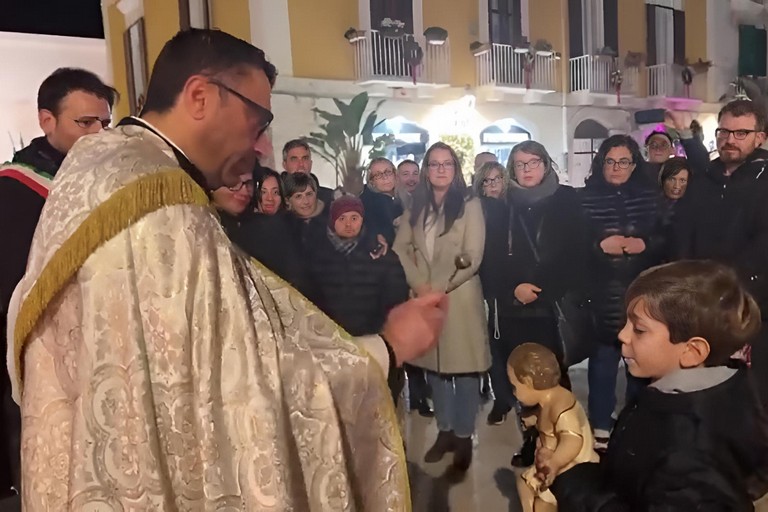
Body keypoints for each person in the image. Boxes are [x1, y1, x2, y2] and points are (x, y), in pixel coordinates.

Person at [6, 29, 446, 510]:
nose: (260, 146)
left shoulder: (100, 168)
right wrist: (387, 348)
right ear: (200, 96)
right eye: (257, 120)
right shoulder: (161, 208)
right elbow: (239, 387)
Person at [549, 261, 768, 510]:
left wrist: (577, 491)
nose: (622, 335)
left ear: (692, 351)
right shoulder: (706, 392)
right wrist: (583, 473)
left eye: (639, 329)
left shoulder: (688, 452)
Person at [0, 67, 116, 499]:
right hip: (38, 342)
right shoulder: (17, 187)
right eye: (84, 122)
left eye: (104, 122)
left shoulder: (105, 180)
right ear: (46, 120)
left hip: (99, 334)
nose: (97, 132)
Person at [393, 141, 489, 472]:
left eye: (447, 164)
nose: (440, 170)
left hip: (458, 297)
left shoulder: (470, 204)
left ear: (456, 169)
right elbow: (402, 247)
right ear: (426, 170)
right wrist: (419, 284)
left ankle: (463, 436)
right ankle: (445, 431)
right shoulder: (415, 205)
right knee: (434, 367)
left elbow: (471, 256)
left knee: (463, 369)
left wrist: (442, 285)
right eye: (434, 164)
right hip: (423, 296)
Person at [675, 99, 768, 403]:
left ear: (760, 137)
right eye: (724, 131)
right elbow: (684, 232)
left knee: (750, 395)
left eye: (741, 133)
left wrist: (732, 289)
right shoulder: (705, 178)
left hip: (749, 304)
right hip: (699, 300)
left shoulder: (762, 180)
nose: (730, 140)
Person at [580, 134, 665, 451]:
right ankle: (601, 426)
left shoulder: (650, 197)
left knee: (641, 364)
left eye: (623, 161)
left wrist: (645, 244)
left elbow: (665, 237)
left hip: (643, 292)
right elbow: (573, 244)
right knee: (602, 363)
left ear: (634, 164)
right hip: (601, 293)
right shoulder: (586, 198)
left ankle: (635, 423)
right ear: (601, 163)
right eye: (610, 161)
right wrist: (598, 245)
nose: (616, 167)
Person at [308, 196, 409, 399]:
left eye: (354, 217)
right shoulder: (317, 255)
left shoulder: (380, 252)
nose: (349, 224)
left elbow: (396, 294)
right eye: (342, 218)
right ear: (332, 221)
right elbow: (311, 296)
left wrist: (383, 329)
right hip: (332, 342)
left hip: (373, 338)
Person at [508, 343, 598, 512]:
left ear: (528, 381)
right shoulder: (549, 400)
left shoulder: (560, 407)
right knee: (524, 484)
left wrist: (555, 463)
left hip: (570, 468)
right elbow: (547, 421)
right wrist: (534, 418)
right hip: (551, 463)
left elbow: (572, 441)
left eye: (515, 387)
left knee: (541, 502)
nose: (513, 392)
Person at [360, 157, 404, 245]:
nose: (385, 177)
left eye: (388, 172)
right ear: (371, 181)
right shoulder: (372, 202)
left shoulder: (401, 196)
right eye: (378, 175)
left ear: (395, 174)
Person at [281, 138, 335, 206]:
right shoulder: (275, 199)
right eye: (294, 159)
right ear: (284, 165)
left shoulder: (329, 198)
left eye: (305, 158)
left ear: (311, 163)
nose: (301, 164)